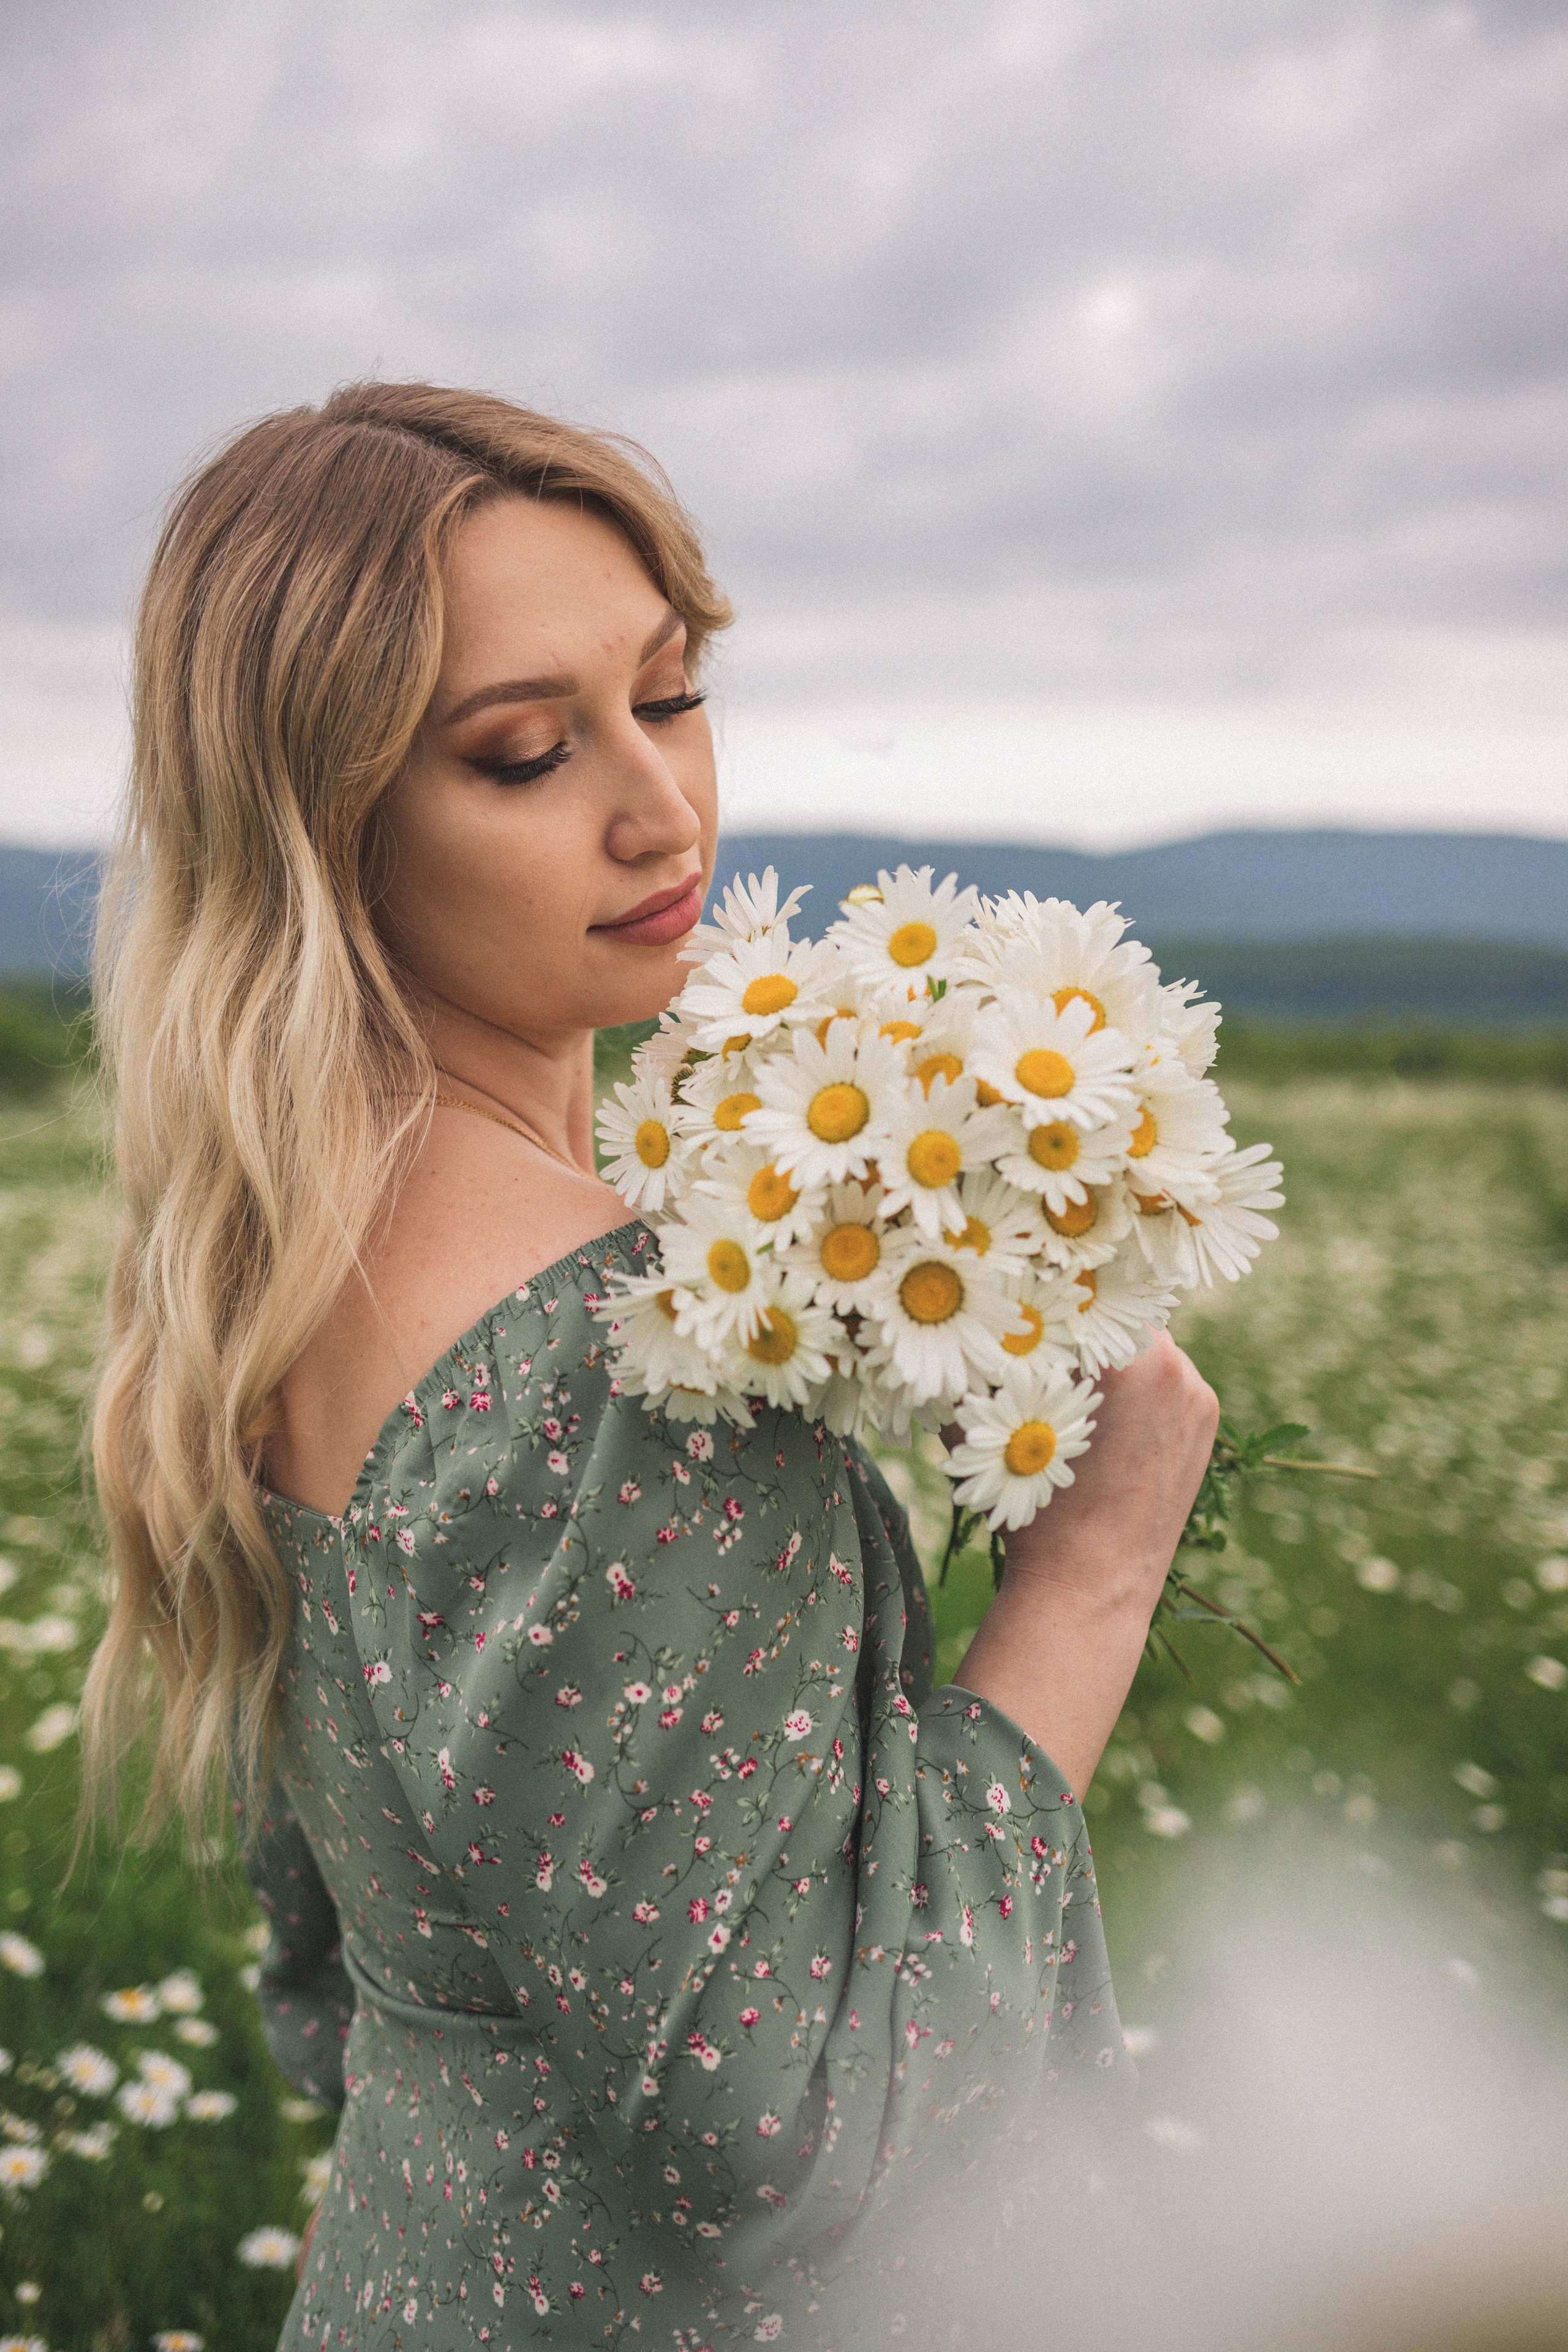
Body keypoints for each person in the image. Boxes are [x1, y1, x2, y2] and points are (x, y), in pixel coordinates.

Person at [81, 381, 1218, 2346]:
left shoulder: (272, 1268)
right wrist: (1088, 1576)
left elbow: (337, 1990)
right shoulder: (616, 1360)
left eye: (670, 694)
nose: (662, 807)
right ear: (322, 826)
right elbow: (829, 2151)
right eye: (523, 754)